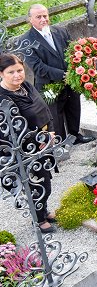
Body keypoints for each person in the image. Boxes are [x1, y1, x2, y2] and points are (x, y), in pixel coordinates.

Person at [0, 53, 57, 233]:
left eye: (19, 70)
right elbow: (11, 131)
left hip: (43, 143)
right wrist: (39, 140)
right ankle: (39, 219)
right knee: (35, 184)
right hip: (24, 151)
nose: (17, 75)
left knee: (45, 180)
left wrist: (51, 131)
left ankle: (44, 210)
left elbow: (44, 109)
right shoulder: (3, 100)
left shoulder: (25, 86)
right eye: (11, 72)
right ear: (1, 74)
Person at [22, 4, 94, 145]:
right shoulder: (26, 41)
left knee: (73, 107)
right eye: (38, 17)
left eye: (45, 16)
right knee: (55, 115)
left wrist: (76, 69)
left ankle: (75, 135)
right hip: (49, 84)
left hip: (70, 79)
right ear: (30, 19)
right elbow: (38, 67)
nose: (43, 19)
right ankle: (60, 143)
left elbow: (73, 53)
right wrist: (64, 74)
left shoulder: (61, 31)